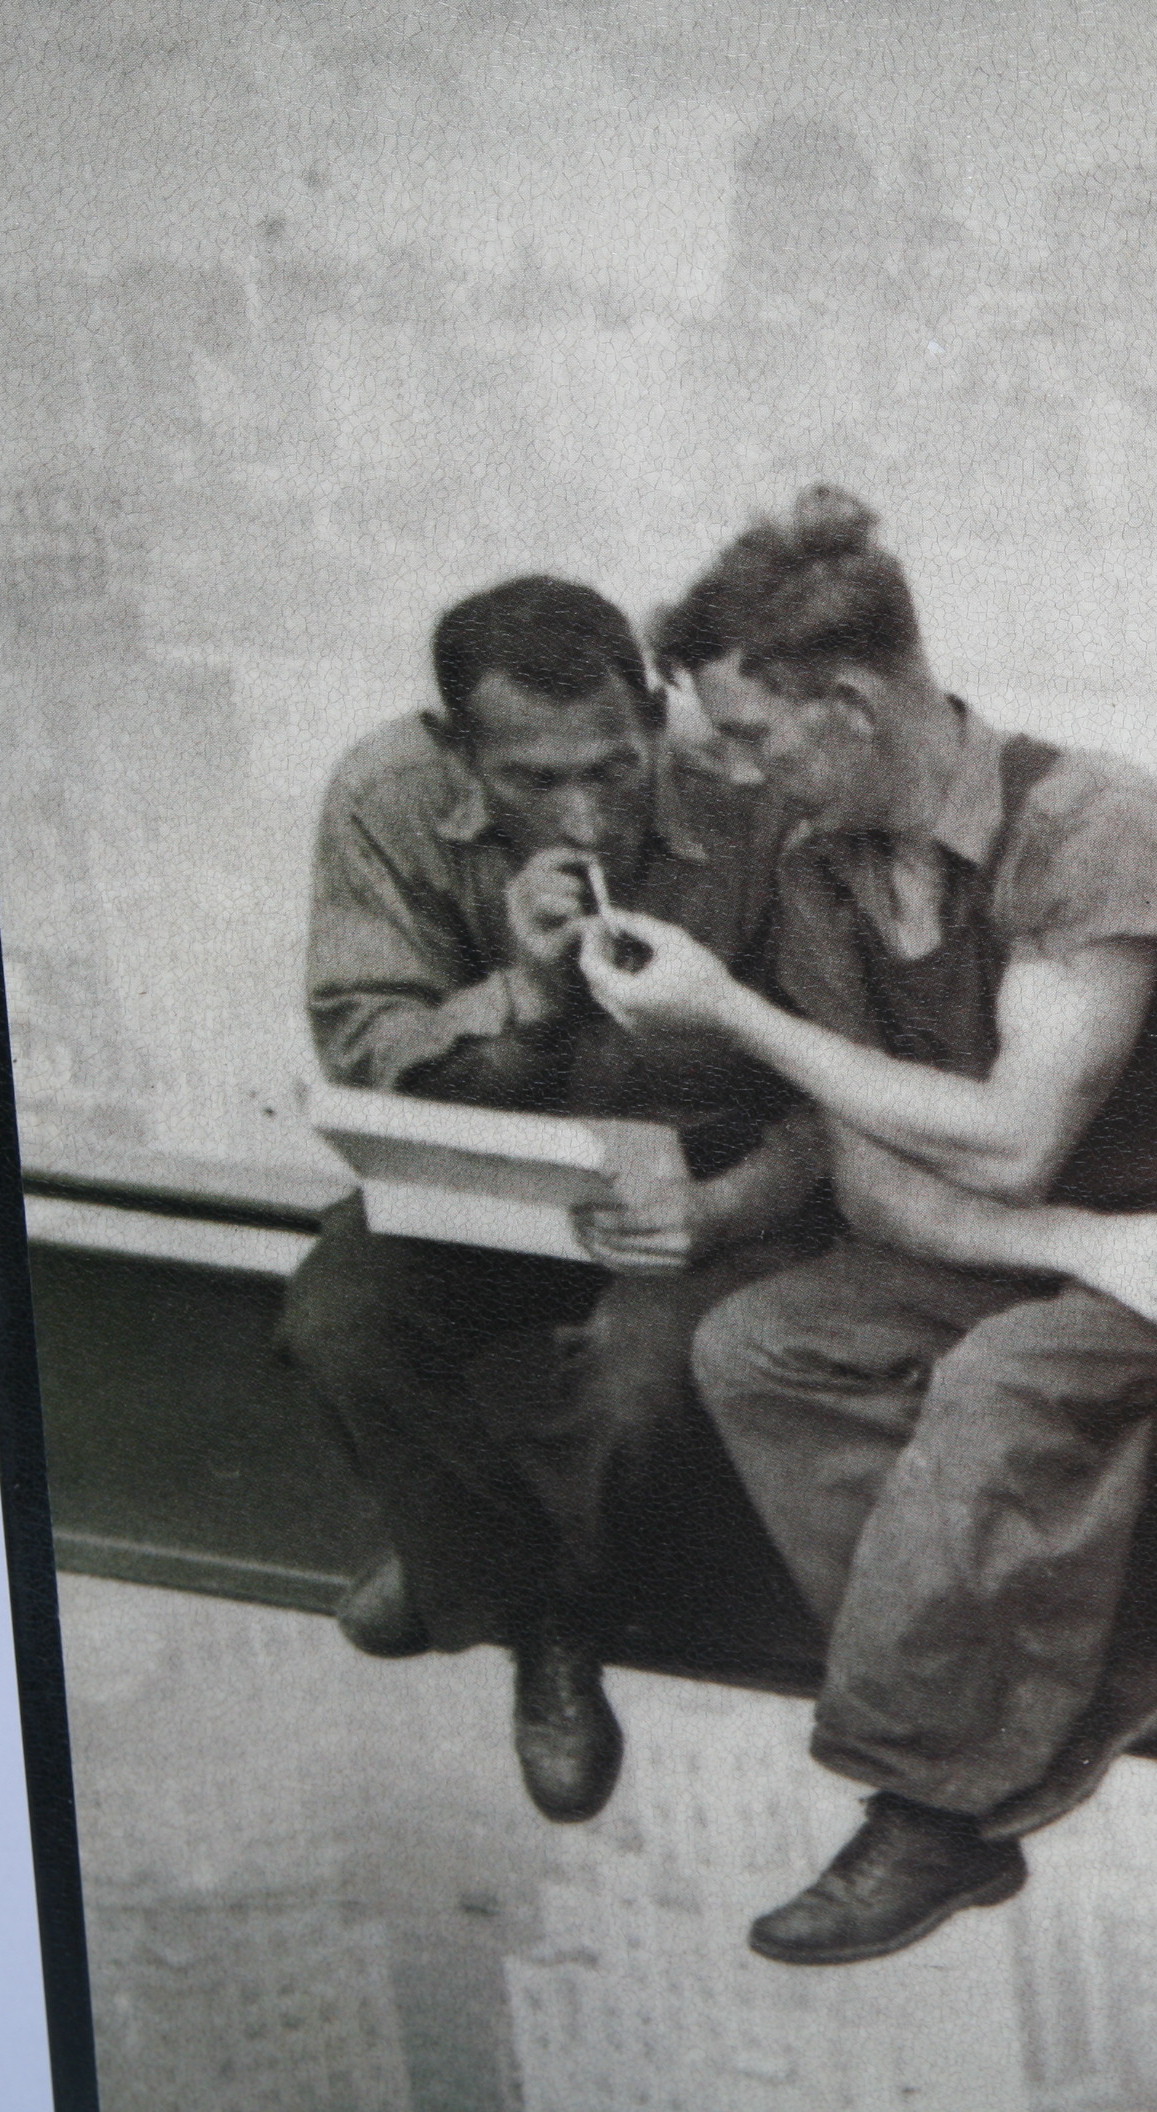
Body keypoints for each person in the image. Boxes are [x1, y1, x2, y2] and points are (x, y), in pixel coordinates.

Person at [577, 489, 1157, 1965]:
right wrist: (1070, 1250)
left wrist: (733, 1013)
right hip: (1073, 1247)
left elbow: (1015, 1136)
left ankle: (929, 1806)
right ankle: (1084, 1682)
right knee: (765, 1347)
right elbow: (874, 1182)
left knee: (1001, 1385)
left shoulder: (1088, 824)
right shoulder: (822, 861)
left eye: (754, 737)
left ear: (846, 706)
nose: (739, 773)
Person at [279, 575, 830, 1823]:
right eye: (534, 780)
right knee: (340, 1322)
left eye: (615, 768)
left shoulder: (756, 797)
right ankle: (533, 1609)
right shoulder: (387, 797)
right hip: (489, 1168)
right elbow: (365, 1050)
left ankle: (495, 1591)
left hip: (702, 1186)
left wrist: (723, 1209)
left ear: (655, 719)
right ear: (456, 751)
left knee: (640, 1395)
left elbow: (835, 1081)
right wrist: (523, 997)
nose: (584, 813)